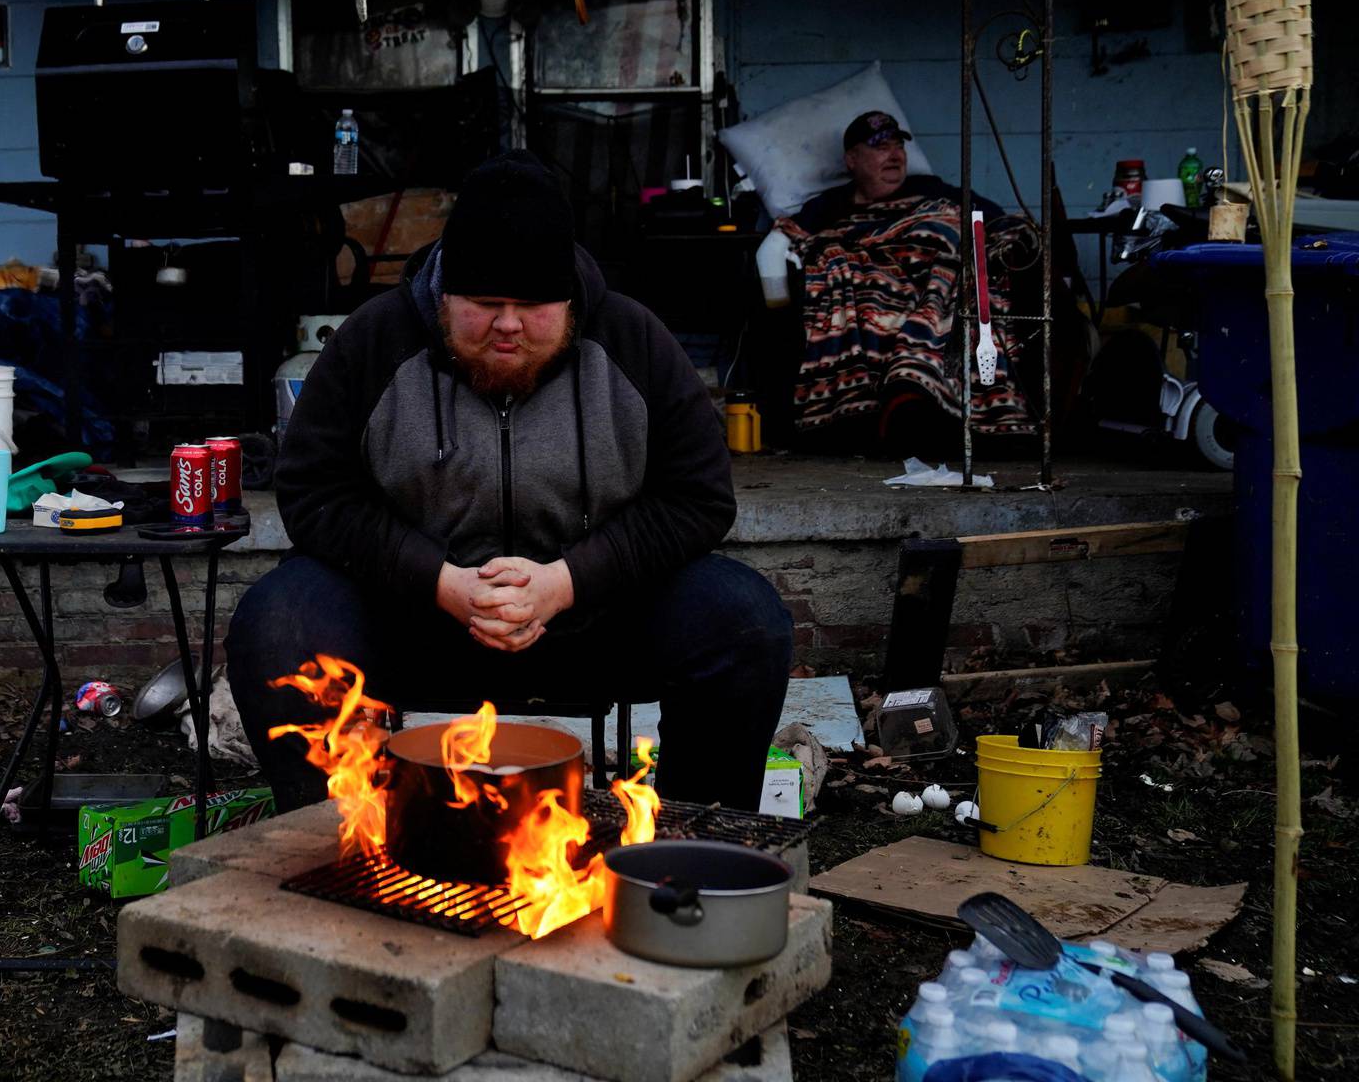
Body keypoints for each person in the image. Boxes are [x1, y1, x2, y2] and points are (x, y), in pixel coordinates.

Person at [226, 150, 792, 812]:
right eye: (484, 303)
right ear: (444, 296)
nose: (507, 326)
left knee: (744, 620)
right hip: (414, 620)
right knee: (279, 620)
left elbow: (699, 498)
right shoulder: (373, 341)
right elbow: (314, 492)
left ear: (571, 302)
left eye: (531, 305)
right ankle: (345, 847)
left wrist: (567, 582)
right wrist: (438, 581)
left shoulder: (634, 341)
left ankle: (694, 857)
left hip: (594, 621)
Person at [770, 111, 1038, 456]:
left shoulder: (931, 190)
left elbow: (990, 220)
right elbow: (789, 236)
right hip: (871, 287)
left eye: (899, 145)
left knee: (959, 285)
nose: (895, 155)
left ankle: (923, 400)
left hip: (936, 278)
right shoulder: (830, 206)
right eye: (880, 147)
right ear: (851, 160)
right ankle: (897, 405)